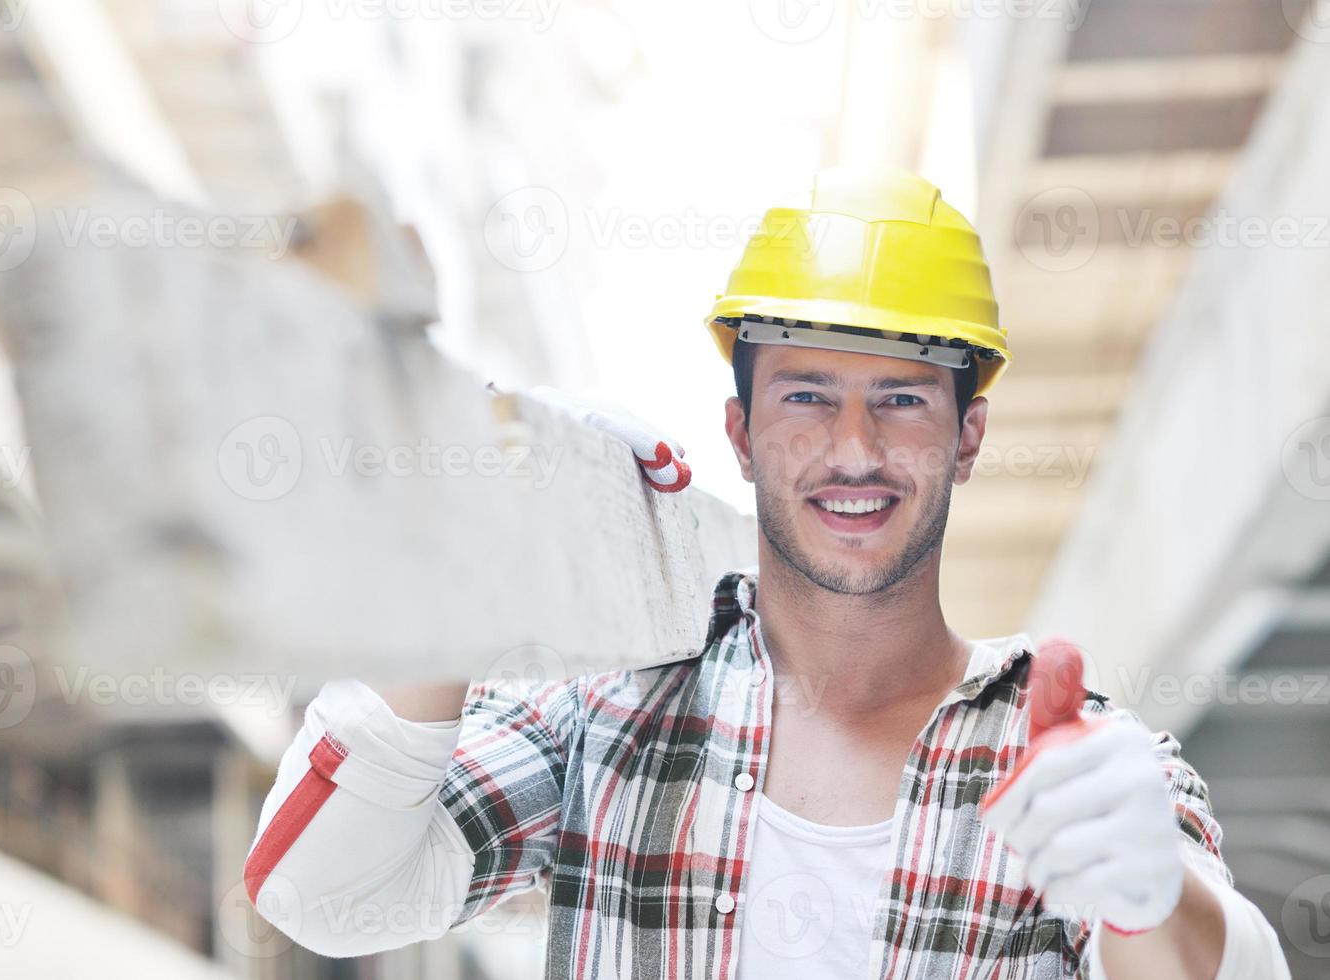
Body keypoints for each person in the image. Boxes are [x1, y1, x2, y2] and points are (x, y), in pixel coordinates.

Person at [244, 169, 1289, 977]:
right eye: (805, 395)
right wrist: (465, 576)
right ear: (740, 432)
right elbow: (322, 891)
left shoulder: (1075, 761)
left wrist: (1150, 895)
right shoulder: (608, 714)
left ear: (968, 436)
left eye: (902, 399)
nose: (852, 447)